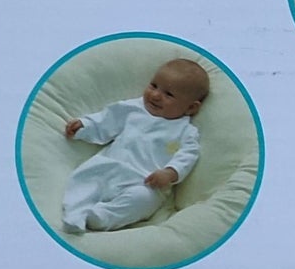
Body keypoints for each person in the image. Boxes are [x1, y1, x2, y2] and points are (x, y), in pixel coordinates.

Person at [60, 58, 209, 233]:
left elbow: (188, 155)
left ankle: (103, 217)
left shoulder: (185, 131)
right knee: (85, 179)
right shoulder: (132, 109)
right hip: (109, 166)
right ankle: (74, 215)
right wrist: (85, 126)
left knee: (143, 200)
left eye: (168, 94)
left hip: (146, 182)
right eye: (154, 86)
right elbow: (107, 120)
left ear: (191, 108)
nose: (155, 95)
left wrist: (170, 172)